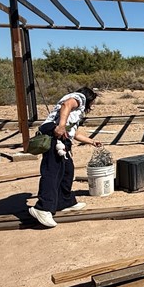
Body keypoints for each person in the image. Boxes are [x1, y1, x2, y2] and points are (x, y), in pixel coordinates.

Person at [29, 87, 103, 228]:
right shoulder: (79, 98)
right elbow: (66, 105)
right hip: (54, 134)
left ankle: (65, 201)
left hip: (62, 138)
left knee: (67, 171)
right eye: (93, 102)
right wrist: (61, 126)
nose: (92, 105)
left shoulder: (77, 112)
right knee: (52, 172)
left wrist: (92, 141)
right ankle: (43, 208)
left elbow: (74, 133)